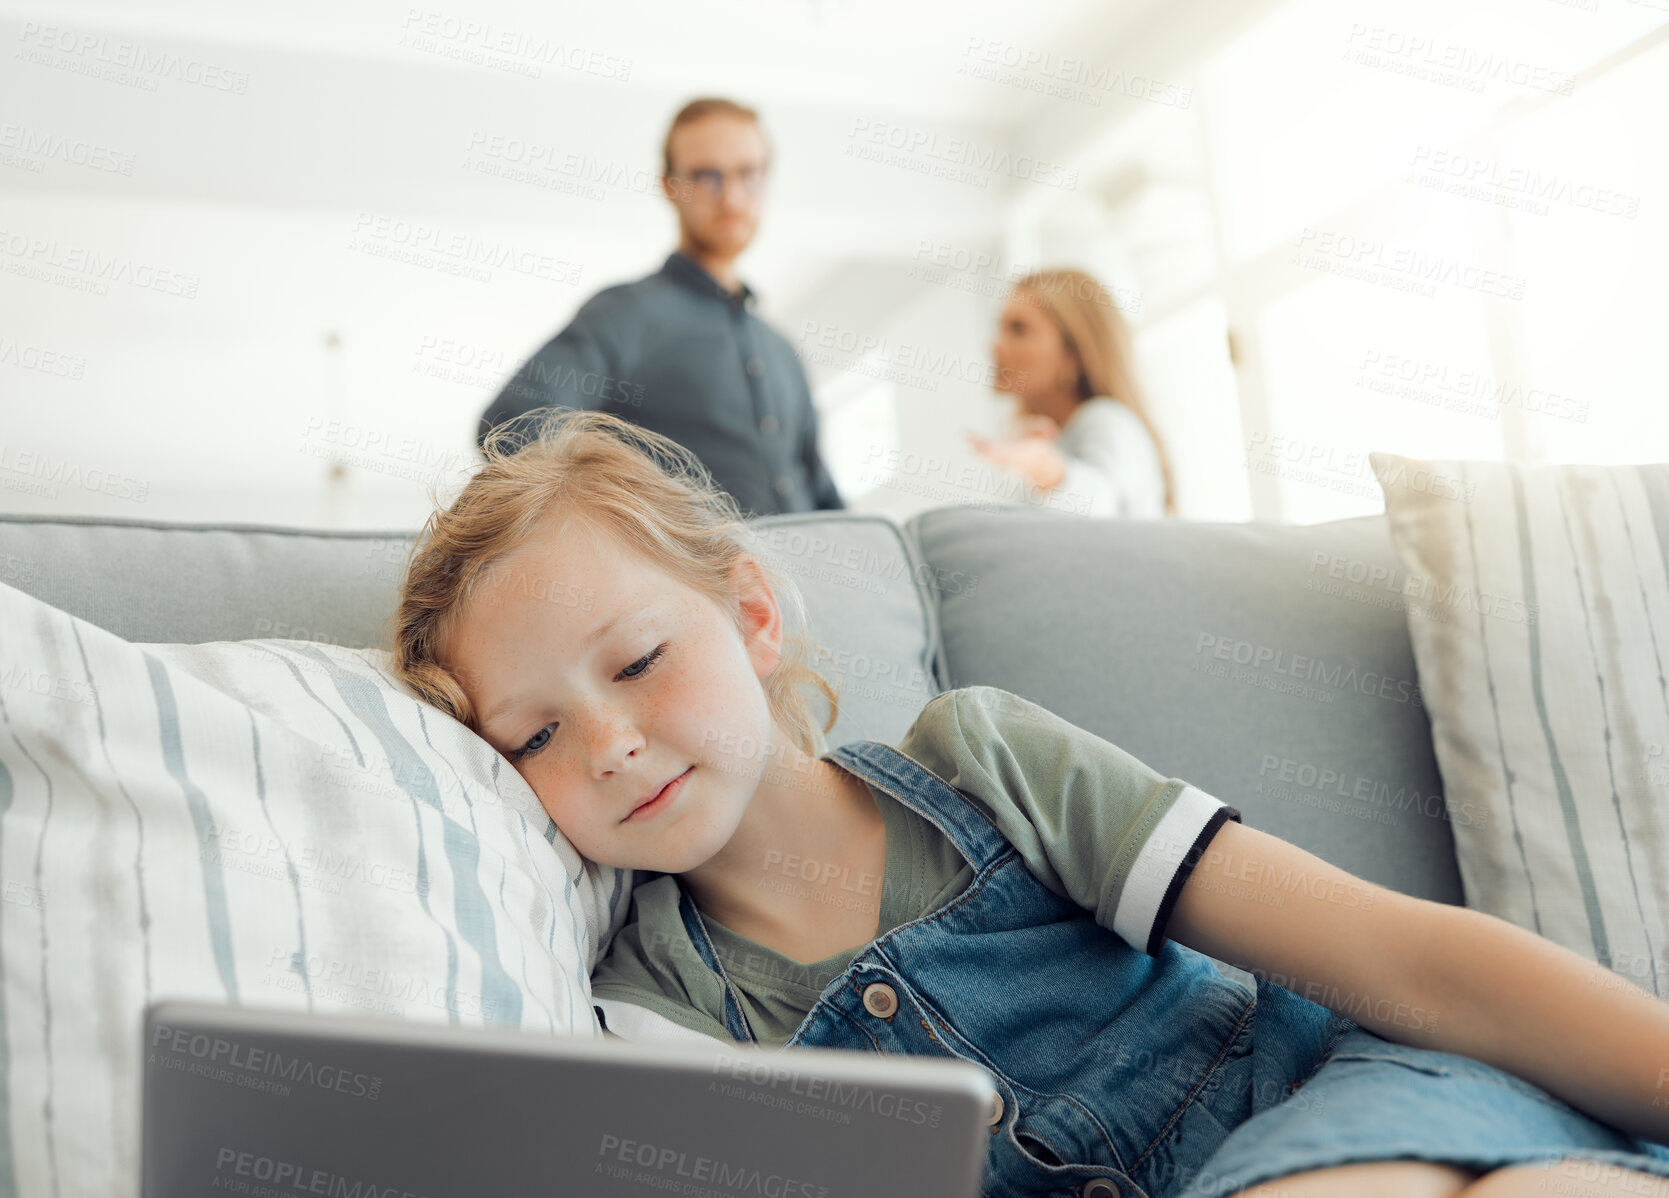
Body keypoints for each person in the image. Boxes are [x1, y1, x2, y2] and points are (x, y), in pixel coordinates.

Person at [391, 406, 1669, 1198]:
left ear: (753, 614)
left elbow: (1395, 958)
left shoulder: (979, 764)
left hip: (1348, 1098)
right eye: (539, 733)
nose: (608, 743)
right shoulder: (654, 1012)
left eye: (636, 662)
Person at [475, 96, 843, 519]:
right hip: (695, 581)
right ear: (670, 186)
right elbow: (514, 427)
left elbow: (821, 492)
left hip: (806, 581)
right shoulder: (623, 315)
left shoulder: (782, 351)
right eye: (707, 176)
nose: (732, 197)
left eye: (748, 174)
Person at [967, 268, 1177, 519]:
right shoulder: (1049, 437)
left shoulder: (1108, 420)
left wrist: (1043, 467)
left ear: (1074, 355)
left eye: (1019, 329)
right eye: (1000, 327)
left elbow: (1101, 506)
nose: (996, 344)